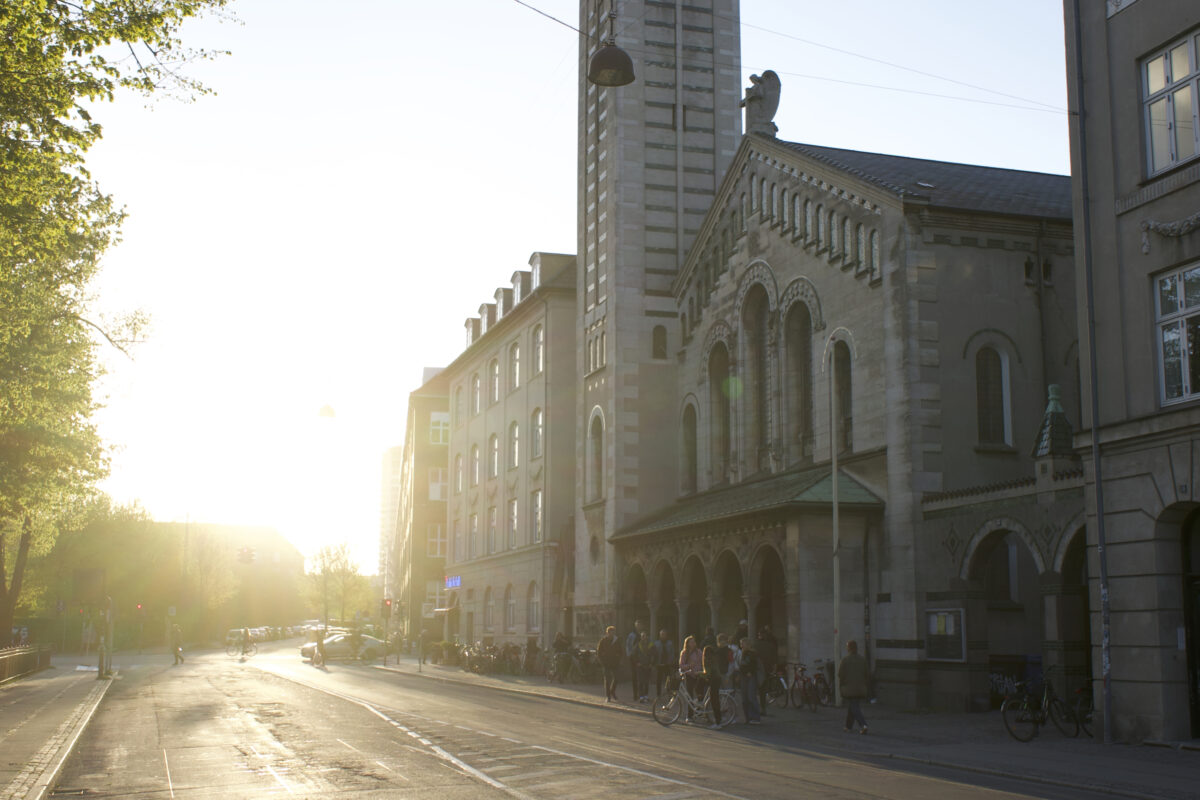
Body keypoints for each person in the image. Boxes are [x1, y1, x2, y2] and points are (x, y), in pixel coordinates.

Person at [839, 639, 870, 734]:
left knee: (854, 707)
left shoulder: (845, 660)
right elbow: (867, 674)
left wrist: (842, 685)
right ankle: (848, 727)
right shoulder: (862, 660)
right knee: (853, 706)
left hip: (849, 688)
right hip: (861, 688)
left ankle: (863, 725)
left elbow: (840, 674)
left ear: (848, 648)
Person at [756, 625, 779, 714]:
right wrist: (774, 668)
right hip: (767, 669)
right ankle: (763, 707)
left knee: (759, 689)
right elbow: (775, 658)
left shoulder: (756, 645)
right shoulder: (771, 645)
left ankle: (761, 707)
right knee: (763, 689)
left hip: (758, 670)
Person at [738, 637, 763, 724]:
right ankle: (748, 717)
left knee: (751, 696)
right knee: (744, 698)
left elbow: (754, 665)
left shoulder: (753, 653)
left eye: (743, 644)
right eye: (741, 644)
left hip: (751, 676)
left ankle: (755, 717)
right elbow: (741, 665)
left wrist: (750, 672)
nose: (741, 646)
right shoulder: (741, 654)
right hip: (743, 676)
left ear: (748, 645)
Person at [678, 635, 702, 721]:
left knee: (700, 693)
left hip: (698, 674)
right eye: (691, 642)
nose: (693, 643)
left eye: (694, 642)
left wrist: (699, 671)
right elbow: (681, 665)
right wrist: (689, 666)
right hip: (689, 675)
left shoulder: (698, 652)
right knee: (689, 695)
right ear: (687, 644)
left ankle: (700, 711)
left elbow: (701, 662)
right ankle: (690, 715)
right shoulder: (684, 653)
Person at [702, 644, 724, 729]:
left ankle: (718, 722)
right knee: (715, 700)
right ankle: (719, 720)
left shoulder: (708, 660)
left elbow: (707, 673)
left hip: (713, 680)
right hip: (717, 680)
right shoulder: (714, 659)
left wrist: (699, 674)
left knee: (714, 701)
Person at [597, 625, 622, 702]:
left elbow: (620, 651)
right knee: (607, 679)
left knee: (616, 678)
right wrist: (602, 660)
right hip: (606, 662)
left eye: (613, 632)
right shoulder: (603, 641)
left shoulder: (617, 641)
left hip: (614, 662)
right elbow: (599, 652)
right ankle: (608, 696)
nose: (611, 634)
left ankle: (612, 691)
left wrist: (618, 658)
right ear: (607, 633)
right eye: (610, 632)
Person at [624, 620, 646, 701]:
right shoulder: (632, 635)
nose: (639, 626)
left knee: (642, 676)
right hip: (634, 657)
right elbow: (628, 645)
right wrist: (629, 655)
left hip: (642, 658)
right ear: (635, 626)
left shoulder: (643, 634)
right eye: (637, 625)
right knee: (634, 676)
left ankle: (643, 695)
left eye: (640, 625)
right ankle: (635, 695)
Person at [632, 631, 654, 703]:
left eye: (644, 636)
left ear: (647, 637)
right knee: (640, 682)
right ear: (640, 637)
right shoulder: (638, 645)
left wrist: (652, 663)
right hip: (640, 666)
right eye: (642, 636)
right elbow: (634, 655)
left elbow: (655, 655)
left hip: (648, 666)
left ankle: (646, 696)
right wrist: (637, 662)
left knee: (646, 682)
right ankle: (641, 697)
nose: (643, 637)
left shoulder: (651, 645)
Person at [653, 629, 676, 697]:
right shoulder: (656, 643)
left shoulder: (670, 643)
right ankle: (658, 694)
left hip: (667, 664)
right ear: (659, 635)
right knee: (658, 680)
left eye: (664, 634)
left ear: (666, 635)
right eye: (661, 634)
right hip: (659, 664)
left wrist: (671, 661)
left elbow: (672, 653)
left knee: (668, 679)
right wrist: (655, 662)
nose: (663, 636)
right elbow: (654, 653)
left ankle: (669, 693)